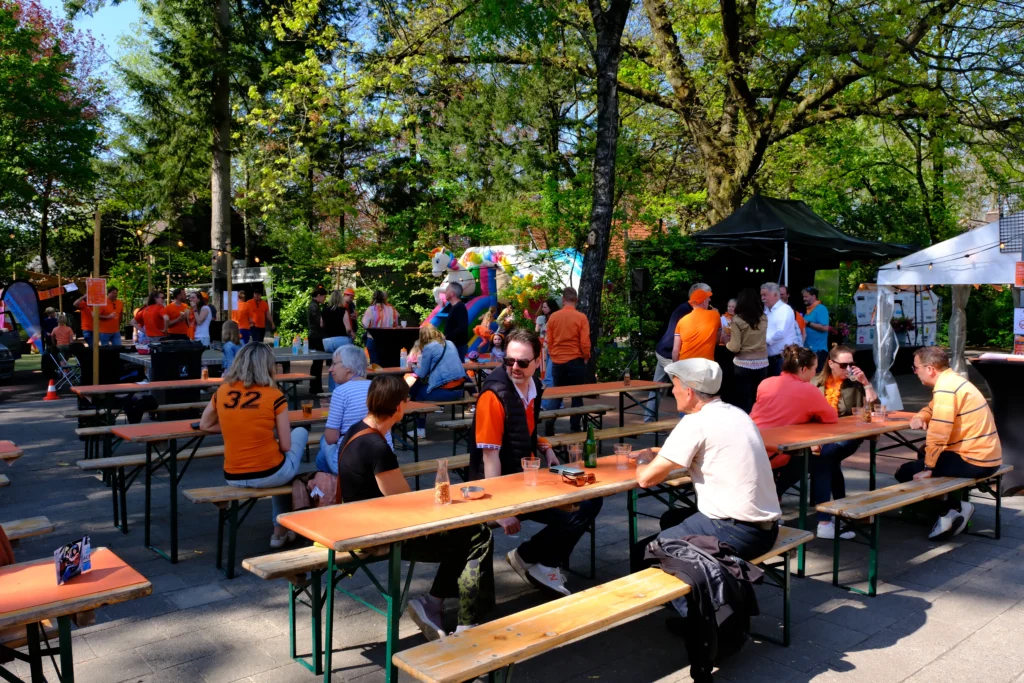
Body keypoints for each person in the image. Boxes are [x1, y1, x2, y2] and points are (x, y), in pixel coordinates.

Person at [634, 358, 781, 683]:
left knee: (644, 551)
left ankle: (705, 623)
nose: (672, 392)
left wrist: (642, 461)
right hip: (767, 529)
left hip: (735, 529)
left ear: (689, 391)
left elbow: (646, 479)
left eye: (674, 386)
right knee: (672, 518)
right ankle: (698, 609)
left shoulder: (695, 423)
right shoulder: (736, 414)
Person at [336, 374, 494, 638]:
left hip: (358, 522)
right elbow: (405, 502)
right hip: (380, 535)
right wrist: (445, 507)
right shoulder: (377, 448)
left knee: (465, 531)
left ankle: (434, 604)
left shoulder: (355, 430)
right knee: (478, 534)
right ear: (399, 407)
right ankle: (466, 622)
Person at [470, 329, 602, 597]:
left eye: (522, 362)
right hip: (500, 487)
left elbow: (522, 428)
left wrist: (544, 446)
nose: (514, 367)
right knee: (576, 511)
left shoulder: (535, 387)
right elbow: (489, 456)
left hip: (526, 476)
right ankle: (542, 563)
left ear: (538, 361)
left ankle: (529, 557)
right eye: (509, 361)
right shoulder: (494, 394)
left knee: (592, 497)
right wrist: (500, 510)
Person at [199, 343, 309, 549]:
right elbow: (286, 445)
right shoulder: (274, 395)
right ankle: (279, 532)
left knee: (282, 472)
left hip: (233, 475)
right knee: (300, 433)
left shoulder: (222, 391)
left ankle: (280, 532)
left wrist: (237, 426)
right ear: (267, 365)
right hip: (270, 473)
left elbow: (205, 424)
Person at [898, 347, 1002, 539]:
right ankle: (949, 510)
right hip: (986, 456)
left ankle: (951, 510)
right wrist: (921, 416)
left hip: (975, 460)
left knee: (905, 472)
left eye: (916, 368)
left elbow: (939, 433)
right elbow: (932, 408)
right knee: (923, 453)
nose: (915, 372)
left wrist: (928, 468)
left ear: (930, 369)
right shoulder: (953, 381)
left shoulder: (946, 388)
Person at [750, 344, 839, 506]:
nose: (815, 373)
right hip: (775, 452)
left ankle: (772, 493)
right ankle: (823, 513)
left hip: (750, 444)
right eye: (814, 369)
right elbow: (831, 417)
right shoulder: (808, 390)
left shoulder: (766, 383)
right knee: (823, 459)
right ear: (804, 369)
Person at [809, 345, 877, 539]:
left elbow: (874, 409)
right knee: (829, 463)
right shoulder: (814, 383)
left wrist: (866, 383)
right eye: (843, 365)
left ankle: (824, 521)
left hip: (848, 437)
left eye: (851, 364)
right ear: (831, 363)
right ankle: (840, 514)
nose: (848, 369)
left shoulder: (855, 384)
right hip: (819, 436)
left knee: (823, 459)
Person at [315, 345, 392, 474]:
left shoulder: (340, 392)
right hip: (385, 461)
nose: (330, 369)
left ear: (348, 367)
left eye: (334, 364)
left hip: (352, 464)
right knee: (323, 455)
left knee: (324, 443)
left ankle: (331, 483)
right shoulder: (380, 388)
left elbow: (331, 438)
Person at [644, 285, 702, 423]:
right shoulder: (685, 311)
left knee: (657, 387)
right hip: (669, 354)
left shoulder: (686, 309)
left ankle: (648, 422)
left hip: (664, 351)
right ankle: (686, 424)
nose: (709, 300)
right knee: (684, 390)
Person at [545, 287, 591, 434]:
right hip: (576, 360)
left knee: (557, 394)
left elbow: (549, 340)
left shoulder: (553, 317)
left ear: (563, 299)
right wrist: (586, 357)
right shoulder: (581, 317)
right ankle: (575, 427)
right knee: (576, 396)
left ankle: (549, 422)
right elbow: (585, 342)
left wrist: (553, 355)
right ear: (576, 300)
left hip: (558, 361)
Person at [408, 324, 467, 437]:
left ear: (423, 337)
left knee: (417, 394)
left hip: (447, 392)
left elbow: (422, 373)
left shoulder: (429, 347)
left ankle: (420, 429)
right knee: (417, 389)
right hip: (460, 390)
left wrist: (413, 366)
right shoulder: (450, 343)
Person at [725, 288, 768, 414]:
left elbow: (735, 347)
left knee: (744, 400)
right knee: (758, 397)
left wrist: (726, 341)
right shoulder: (764, 318)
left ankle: (747, 423)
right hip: (762, 362)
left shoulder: (737, 320)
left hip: (743, 363)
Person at [761, 282, 801, 377]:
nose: (762, 298)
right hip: (771, 359)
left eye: (765, 295)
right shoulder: (767, 311)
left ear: (775, 295)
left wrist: (761, 341)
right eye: (761, 295)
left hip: (782, 359)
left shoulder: (784, 309)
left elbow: (780, 333)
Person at [672, 287, 720, 363]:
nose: (710, 300)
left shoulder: (681, 321)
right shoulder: (715, 315)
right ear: (704, 302)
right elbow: (718, 339)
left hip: (684, 364)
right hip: (705, 365)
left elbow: (675, 351)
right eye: (708, 299)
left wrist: (676, 367)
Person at [322, 290, 355, 391]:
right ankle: (342, 388)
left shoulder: (324, 310)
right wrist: (352, 334)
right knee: (343, 364)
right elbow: (348, 328)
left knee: (333, 364)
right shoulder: (343, 310)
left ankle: (332, 389)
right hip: (341, 340)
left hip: (327, 342)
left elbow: (321, 324)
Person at [536, 299, 561, 412]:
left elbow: (548, 334)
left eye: (545, 307)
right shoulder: (547, 318)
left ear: (551, 307)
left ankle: (545, 404)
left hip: (552, 349)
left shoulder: (553, 318)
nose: (543, 309)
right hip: (550, 349)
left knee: (548, 377)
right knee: (552, 377)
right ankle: (556, 403)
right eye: (543, 307)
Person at [361, 290, 398, 364]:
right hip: (387, 339)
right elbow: (395, 323)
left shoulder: (371, 309)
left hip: (373, 338)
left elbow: (365, 324)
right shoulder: (391, 309)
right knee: (386, 362)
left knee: (374, 364)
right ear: (383, 298)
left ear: (373, 298)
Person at [801, 287, 829, 371]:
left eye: (806, 297)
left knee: (816, 376)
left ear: (813, 296)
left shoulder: (821, 308)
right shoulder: (809, 310)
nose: (804, 299)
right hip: (808, 349)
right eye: (803, 297)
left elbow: (825, 328)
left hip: (818, 350)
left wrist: (808, 323)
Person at [307, 287, 328, 395]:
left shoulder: (313, 305)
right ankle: (315, 387)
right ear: (319, 295)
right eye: (324, 296)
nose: (324, 299)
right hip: (316, 337)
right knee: (317, 362)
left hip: (314, 336)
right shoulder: (314, 306)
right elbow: (320, 322)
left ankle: (315, 386)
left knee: (317, 363)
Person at [443, 282, 469, 361]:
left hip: (457, 346)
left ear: (452, 293)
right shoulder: (455, 307)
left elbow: (462, 328)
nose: (445, 292)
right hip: (454, 346)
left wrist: (447, 336)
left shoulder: (459, 307)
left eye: (447, 290)